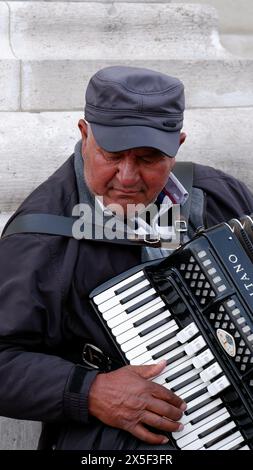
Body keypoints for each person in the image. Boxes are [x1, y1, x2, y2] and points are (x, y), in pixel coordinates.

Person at [0, 65, 252, 451]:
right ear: (85, 135)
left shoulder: (223, 197)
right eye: (112, 155)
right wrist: (91, 391)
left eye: (149, 159)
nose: (128, 176)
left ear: (178, 146)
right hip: (111, 439)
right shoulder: (40, 235)